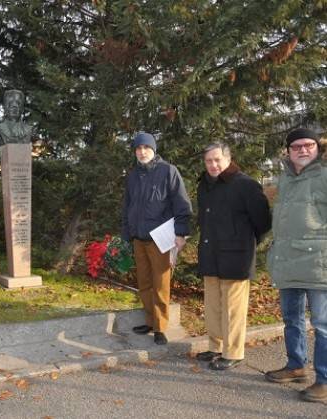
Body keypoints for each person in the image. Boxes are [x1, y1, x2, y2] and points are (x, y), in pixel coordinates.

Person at [195, 143, 271, 370]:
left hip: (236, 256)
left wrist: (244, 241)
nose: (213, 165)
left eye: (217, 159)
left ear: (228, 159)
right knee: (213, 306)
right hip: (210, 252)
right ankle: (215, 346)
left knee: (233, 308)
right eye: (208, 161)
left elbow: (263, 221)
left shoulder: (245, 184)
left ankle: (233, 351)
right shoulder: (204, 186)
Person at [265, 128, 327, 403]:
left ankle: (324, 381)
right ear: (288, 151)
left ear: (317, 148)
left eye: (308, 145)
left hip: (318, 262)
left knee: (323, 324)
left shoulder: (324, 177)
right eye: (296, 146)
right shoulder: (286, 179)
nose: (303, 150)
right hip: (288, 260)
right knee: (291, 318)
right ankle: (296, 365)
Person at [121, 132, 192, 345]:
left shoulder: (168, 171)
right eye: (138, 149)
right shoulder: (133, 175)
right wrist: (126, 233)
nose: (142, 152)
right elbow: (127, 206)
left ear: (154, 149)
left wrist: (181, 233)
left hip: (160, 239)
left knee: (161, 284)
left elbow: (182, 205)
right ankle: (150, 321)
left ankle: (161, 328)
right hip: (138, 238)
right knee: (143, 283)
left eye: (146, 148)